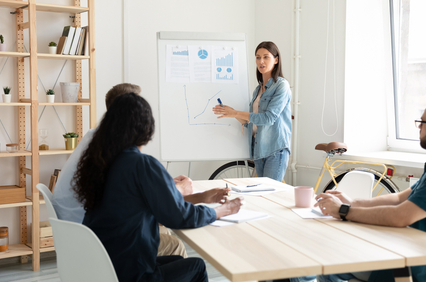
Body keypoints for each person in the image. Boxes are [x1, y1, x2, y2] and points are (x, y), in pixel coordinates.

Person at [296, 97, 426, 282]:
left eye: (422, 122)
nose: (419, 127)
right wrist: (352, 202)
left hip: (411, 266)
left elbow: (400, 216)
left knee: (319, 260)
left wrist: (342, 211)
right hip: (404, 250)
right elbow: (398, 199)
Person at [73, 93, 242, 282]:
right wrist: (221, 211)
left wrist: (201, 197)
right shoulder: (141, 164)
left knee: (177, 260)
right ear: (146, 127)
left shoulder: (102, 163)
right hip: (131, 273)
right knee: (197, 266)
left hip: (106, 266)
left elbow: (162, 203)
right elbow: (179, 216)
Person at [52, 83, 228, 258]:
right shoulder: (122, 155)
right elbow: (173, 213)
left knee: (160, 228)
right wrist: (178, 191)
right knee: (174, 244)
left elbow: (135, 194)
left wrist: (167, 186)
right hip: (95, 236)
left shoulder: (100, 143)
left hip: (86, 230)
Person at [213, 41, 292, 181]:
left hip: (275, 149)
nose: (261, 61)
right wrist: (231, 112)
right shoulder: (257, 90)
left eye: (266, 57)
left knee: (270, 194)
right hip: (259, 150)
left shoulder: (282, 86)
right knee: (261, 194)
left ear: (276, 59)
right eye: (257, 57)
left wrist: (236, 112)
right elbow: (253, 123)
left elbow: (268, 119)